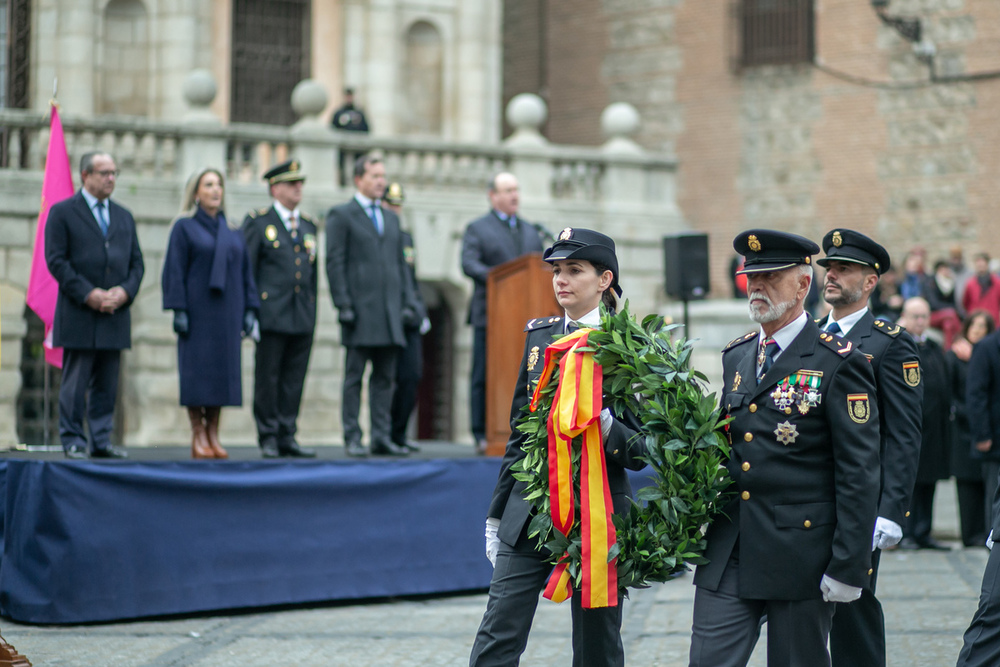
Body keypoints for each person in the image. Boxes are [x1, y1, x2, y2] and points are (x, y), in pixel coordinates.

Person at [688, 229, 880, 667]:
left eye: (771, 277)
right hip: (731, 545)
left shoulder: (839, 361)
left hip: (801, 554)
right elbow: (727, 445)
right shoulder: (737, 356)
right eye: (751, 277)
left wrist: (850, 565)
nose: (757, 286)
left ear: (802, 284)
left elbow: (859, 471)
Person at [469, 227, 647, 667]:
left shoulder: (631, 347)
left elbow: (644, 450)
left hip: (598, 515)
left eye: (574, 270)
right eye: (556, 270)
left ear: (605, 280)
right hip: (529, 509)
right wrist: (496, 516)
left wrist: (604, 425)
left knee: (597, 647)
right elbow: (520, 433)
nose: (560, 280)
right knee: (497, 636)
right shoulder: (540, 335)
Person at [814, 229, 923, 667]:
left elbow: (903, 433)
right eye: (830, 268)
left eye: (845, 269)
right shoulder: (811, 336)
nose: (833, 275)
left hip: (861, 500)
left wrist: (893, 508)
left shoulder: (890, 343)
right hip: (814, 496)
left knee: (853, 605)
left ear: (870, 281)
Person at [44, 151, 144, 459]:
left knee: (107, 381)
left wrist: (124, 293)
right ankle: (73, 439)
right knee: (76, 381)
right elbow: (56, 261)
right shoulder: (62, 212)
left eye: (114, 173)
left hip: (115, 312)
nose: (111, 178)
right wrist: (89, 294)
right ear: (85, 176)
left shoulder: (124, 216)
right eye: (104, 173)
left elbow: (137, 265)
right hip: (80, 311)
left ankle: (101, 439)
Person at [162, 168, 259, 459]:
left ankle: (214, 433)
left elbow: (245, 273)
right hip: (198, 312)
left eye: (219, 185)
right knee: (197, 373)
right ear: (196, 193)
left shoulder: (233, 230)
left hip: (228, 311)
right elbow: (174, 270)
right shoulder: (184, 227)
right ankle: (198, 434)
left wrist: (251, 309)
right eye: (208, 185)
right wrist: (178, 308)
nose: (216, 190)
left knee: (221, 374)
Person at [326, 155, 418, 458]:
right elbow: (335, 262)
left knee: (384, 378)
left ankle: (381, 436)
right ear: (358, 179)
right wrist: (343, 305)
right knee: (354, 377)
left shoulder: (391, 218)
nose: (381, 181)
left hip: (390, 313)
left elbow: (399, 266)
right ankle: (353, 436)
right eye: (375, 175)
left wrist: (406, 303)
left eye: (383, 175)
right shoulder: (342, 214)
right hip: (359, 312)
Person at [461, 172, 545, 454]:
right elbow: (469, 264)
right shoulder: (478, 228)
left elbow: (540, 267)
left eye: (516, 190)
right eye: (508, 190)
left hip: (526, 317)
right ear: (493, 196)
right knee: (483, 374)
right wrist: (500, 281)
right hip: (492, 315)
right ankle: (481, 433)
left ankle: (524, 429)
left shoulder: (531, 230)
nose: (514, 195)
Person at [242, 160, 317, 458]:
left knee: (294, 378)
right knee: (268, 377)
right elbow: (247, 270)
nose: (298, 188)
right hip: (271, 314)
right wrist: (250, 312)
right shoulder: (259, 222)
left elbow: (312, 276)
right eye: (291, 183)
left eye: (300, 182)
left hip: (301, 314)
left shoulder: (309, 225)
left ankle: (288, 433)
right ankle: (268, 434)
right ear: (275, 188)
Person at [898, 297, 952, 550]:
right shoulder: (899, 345)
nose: (920, 322)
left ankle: (924, 531)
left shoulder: (933, 346)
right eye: (915, 316)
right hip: (908, 426)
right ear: (905, 317)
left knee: (929, 481)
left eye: (924, 316)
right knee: (910, 481)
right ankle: (906, 532)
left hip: (934, 427)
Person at [383, 182, 429, 453]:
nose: (396, 210)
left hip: (409, 315)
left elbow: (411, 278)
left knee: (412, 375)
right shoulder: (381, 238)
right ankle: (386, 434)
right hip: (389, 315)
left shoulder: (405, 238)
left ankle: (399, 433)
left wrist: (419, 309)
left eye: (398, 205)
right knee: (388, 379)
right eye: (391, 204)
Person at [950, 310, 996, 547]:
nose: (977, 330)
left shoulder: (987, 351)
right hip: (967, 430)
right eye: (974, 325)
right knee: (972, 487)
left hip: (986, 430)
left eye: (983, 326)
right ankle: (974, 534)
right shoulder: (956, 356)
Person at [967, 321, 1000, 534]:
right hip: (995, 438)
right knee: (995, 496)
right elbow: (976, 394)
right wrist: (982, 434)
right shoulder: (986, 347)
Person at [925, 260, 964, 349]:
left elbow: (954, 304)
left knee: (948, 324)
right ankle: (961, 337)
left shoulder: (950, 284)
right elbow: (933, 304)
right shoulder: (930, 283)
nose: (946, 271)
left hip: (948, 317)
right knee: (951, 313)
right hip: (932, 315)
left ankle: (947, 349)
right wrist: (949, 309)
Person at [962, 253, 1000, 325]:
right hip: (975, 322)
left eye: (983, 262)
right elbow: (965, 303)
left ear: (987, 264)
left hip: (993, 322)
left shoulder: (997, 283)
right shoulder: (970, 284)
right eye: (978, 262)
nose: (980, 265)